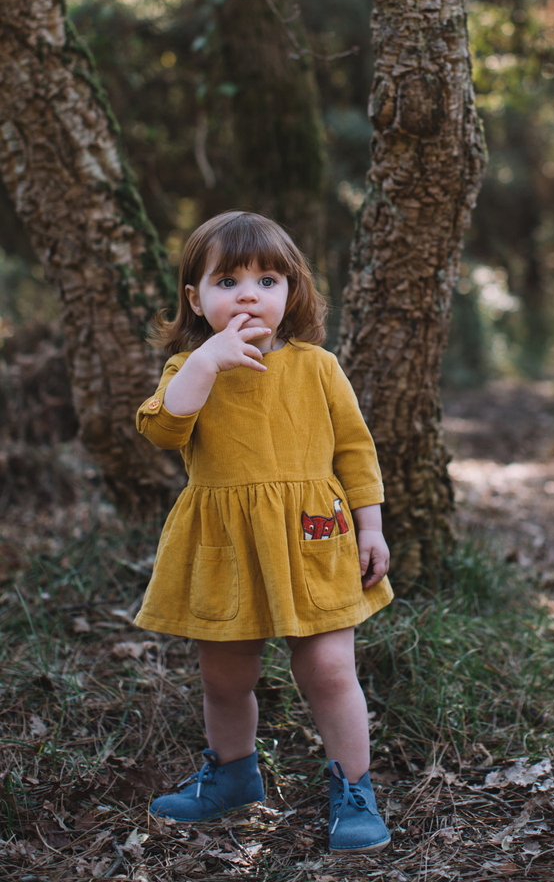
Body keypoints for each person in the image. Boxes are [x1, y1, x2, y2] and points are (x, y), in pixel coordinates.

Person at [134, 210, 393, 853]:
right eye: (227, 281)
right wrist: (206, 362)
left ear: (292, 292)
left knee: (330, 669)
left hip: (315, 539)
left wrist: (371, 526)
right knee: (224, 676)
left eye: (268, 279)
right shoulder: (187, 369)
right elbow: (163, 429)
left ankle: (353, 787)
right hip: (225, 545)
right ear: (195, 299)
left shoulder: (317, 367)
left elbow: (356, 453)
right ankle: (232, 773)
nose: (249, 294)